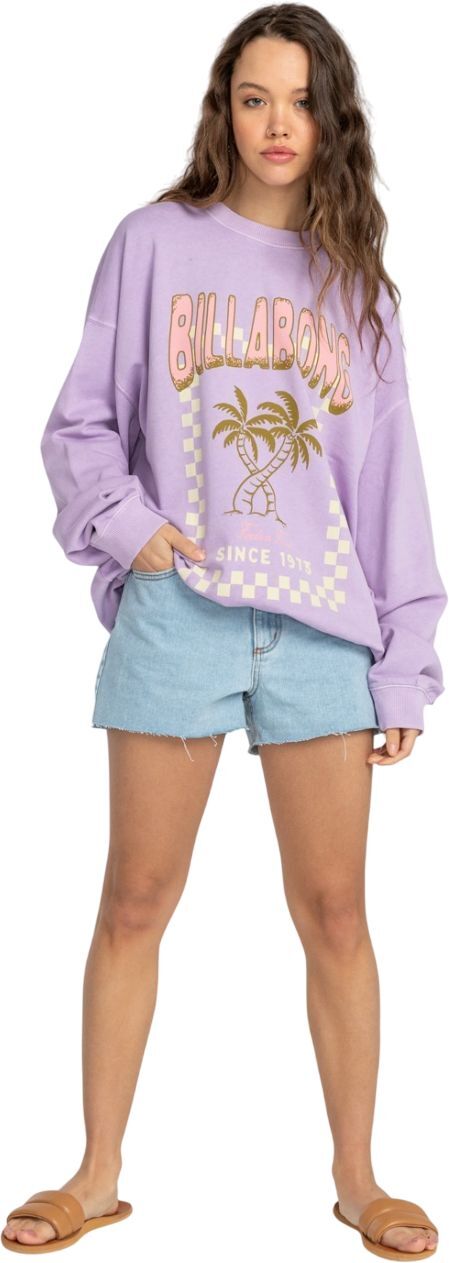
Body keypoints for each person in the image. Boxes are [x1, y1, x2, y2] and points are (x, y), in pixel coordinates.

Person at [2, 4, 446, 1258]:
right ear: (223, 110)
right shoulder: (151, 244)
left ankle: (357, 1179)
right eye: (254, 98)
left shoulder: (358, 288)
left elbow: (388, 491)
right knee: (134, 898)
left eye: (300, 101)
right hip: (178, 615)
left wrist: (403, 663)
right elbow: (81, 422)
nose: (276, 124)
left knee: (335, 914)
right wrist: (129, 527)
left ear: (333, 119)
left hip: (319, 629)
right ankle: (95, 1173)